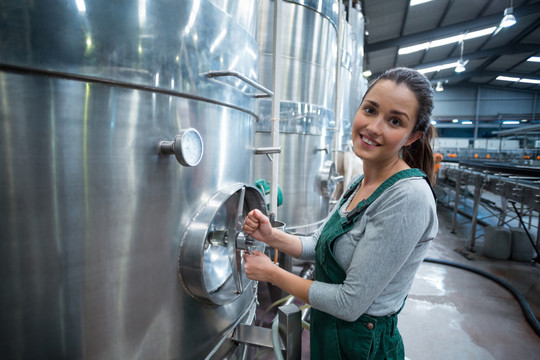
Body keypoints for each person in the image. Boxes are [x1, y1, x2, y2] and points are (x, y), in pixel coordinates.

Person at [243, 67, 439, 360]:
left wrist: (272, 273)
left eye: (395, 121)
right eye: (370, 110)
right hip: (328, 331)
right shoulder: (361, 182)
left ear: (412, 137)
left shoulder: (408, 197)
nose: (373, 127)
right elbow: (317, 243)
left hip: (362, 344)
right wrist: (272, 237)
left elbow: (349, 303)